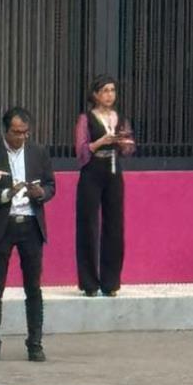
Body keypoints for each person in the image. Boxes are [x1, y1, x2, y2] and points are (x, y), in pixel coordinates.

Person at [0, 107, 56, 362]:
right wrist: (8, 194)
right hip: (2, 225)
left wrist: (42, 194)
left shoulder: (38, 151)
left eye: (25, 133)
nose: (21, 137)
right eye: (16, 133)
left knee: (33, 288)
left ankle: (35, 343)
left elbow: (51, 185)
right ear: (5, 131)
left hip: (31, 224)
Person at [75, 74, 135, 297]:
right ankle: (89, 282)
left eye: (112, 90)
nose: (110, 95)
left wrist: (122, 142)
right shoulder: (86, 118)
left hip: (113, 171)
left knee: (114, 226)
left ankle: (111, 282)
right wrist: (101, 142)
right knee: (88, 225)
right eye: (105, 91)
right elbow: (80, 151)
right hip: (92, 171)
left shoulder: (119, 117)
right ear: (95, 94)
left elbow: (129, 148)